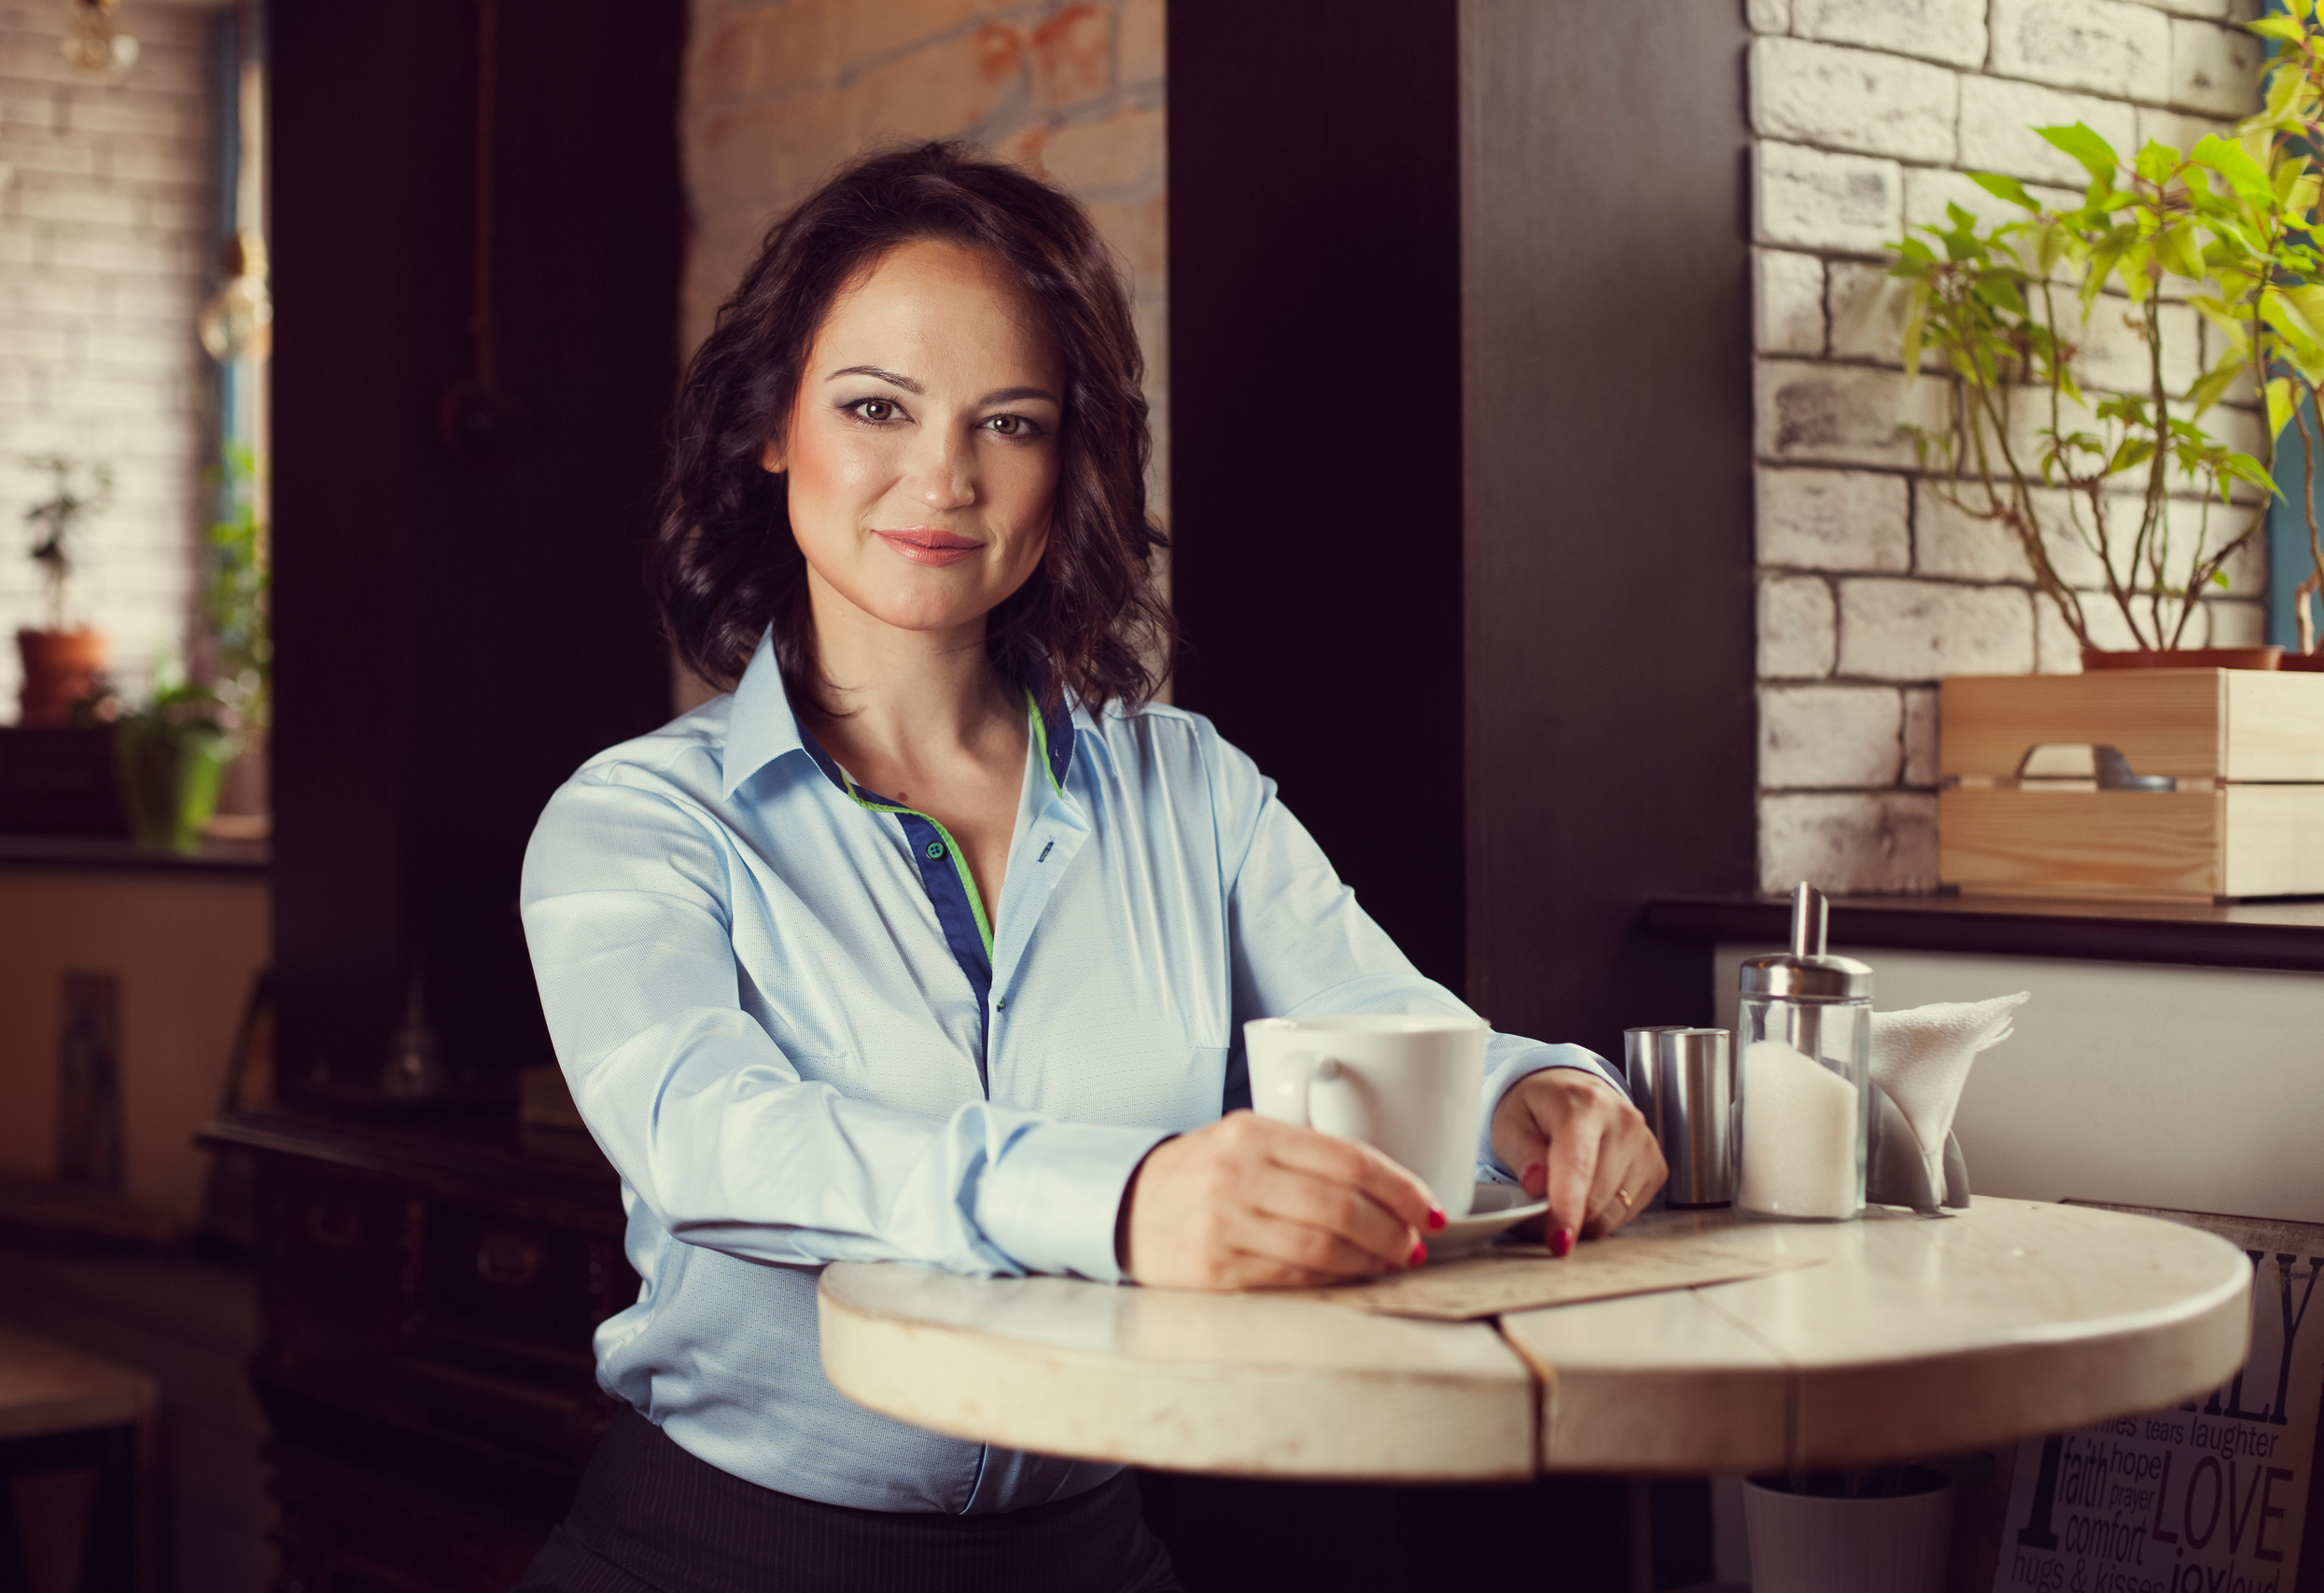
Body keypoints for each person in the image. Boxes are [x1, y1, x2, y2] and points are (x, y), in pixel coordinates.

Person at [514, 140, 1665, 1593]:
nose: (941, 476)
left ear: (1072, 463)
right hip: (718, 1557)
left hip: (1098, 1560)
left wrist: (1535, 1094)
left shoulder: (1189, 786)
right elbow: (712, 1139)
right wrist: (1127, 1203)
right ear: (771, 427)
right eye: (877, 406)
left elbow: (1393, 1031)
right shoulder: (637, 824)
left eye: (1011, 422)